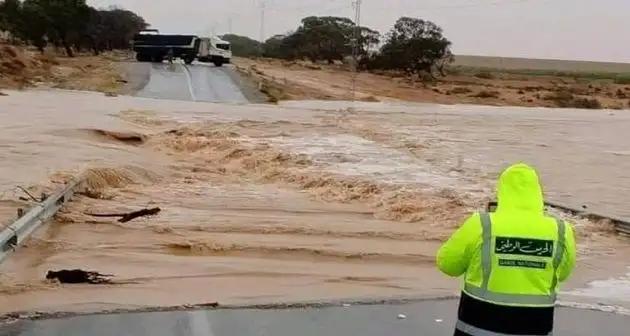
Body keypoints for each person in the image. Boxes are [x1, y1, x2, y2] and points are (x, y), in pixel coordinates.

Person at [437, 163, 576, 336]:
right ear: (538, 193)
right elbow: (563, 274)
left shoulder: (482, 223)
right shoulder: (561, 230)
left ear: (502, 192)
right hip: (535, 327)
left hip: (479, 326)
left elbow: (447, 265)